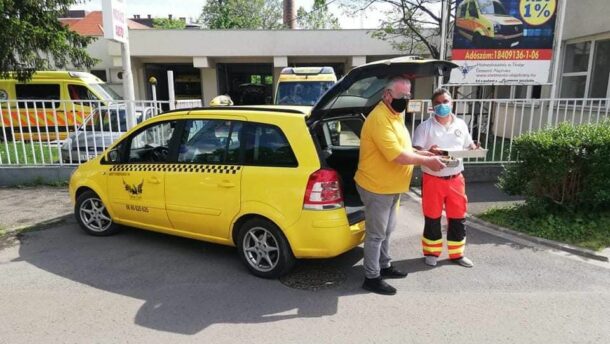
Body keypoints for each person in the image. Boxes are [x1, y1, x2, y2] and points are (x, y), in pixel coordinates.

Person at [354, 76, 446, 295]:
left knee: (387, 230)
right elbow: (396, 155)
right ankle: (371, 276)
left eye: (408, 95)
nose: (406, 100)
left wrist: (424, 152)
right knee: (376, 234)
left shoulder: (395, 114)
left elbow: (404, 147)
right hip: (377, 187)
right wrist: (427, 161)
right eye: (401, 96)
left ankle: (384, 266)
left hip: (392, 186)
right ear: (387, 95)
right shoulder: (379, 119)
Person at [412, 88, 479, 269]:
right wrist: (427, 152)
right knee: (432, 217)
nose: (442, 105)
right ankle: (432, 253)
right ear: (433, 107)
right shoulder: (425, 127)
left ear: (452, 103)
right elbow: (414, 150)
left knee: (458, 217)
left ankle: (457, 254)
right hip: (433, 179)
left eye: (445, 101)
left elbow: (470, 145)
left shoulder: (461, 125)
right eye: (438, 103)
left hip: (456, 178)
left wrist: (475, 149)